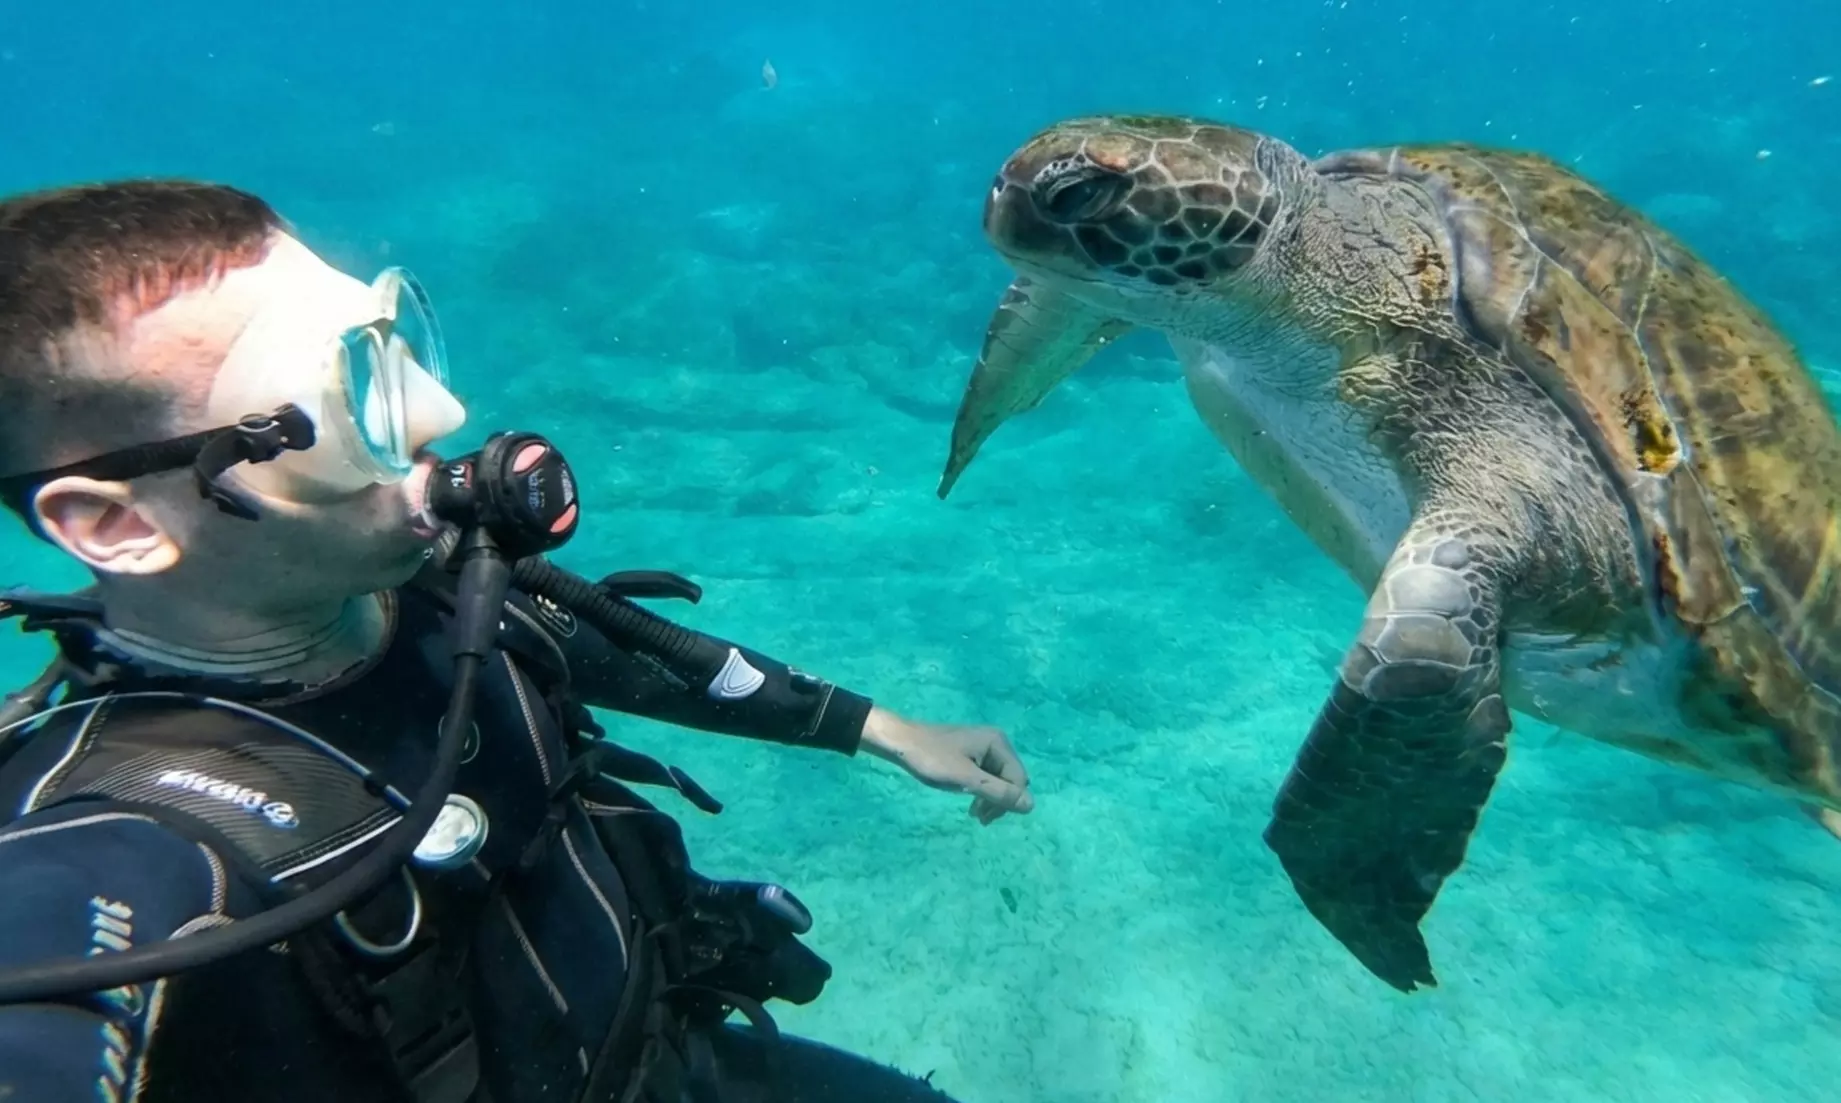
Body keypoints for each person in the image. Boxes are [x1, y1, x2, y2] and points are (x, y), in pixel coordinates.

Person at [0, 180, 1036, 1103]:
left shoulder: (425, 586)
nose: (438, 412)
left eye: (389, 348)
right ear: (119, 525)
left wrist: (882, 728)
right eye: (337, 396)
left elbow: (607, 644)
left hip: (671, 1053)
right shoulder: (120, 842)